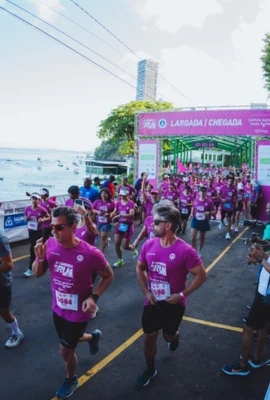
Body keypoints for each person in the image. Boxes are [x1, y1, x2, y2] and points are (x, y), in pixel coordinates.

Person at [32, 206, 114, 399]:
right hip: (58, 307)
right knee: (71, 340)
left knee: (65, 349)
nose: (54, 231)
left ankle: (71, 379)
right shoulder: (50, 244)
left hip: (79, 311)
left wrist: (94, 297)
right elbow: (37, 273)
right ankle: (93, 337)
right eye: (52, 227)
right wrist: (39, 256)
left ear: (74, 227)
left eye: (59, 227)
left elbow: (108, 276)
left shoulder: (90, 253)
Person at [136, 201, 206, 387]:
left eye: (156, 221)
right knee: (149, 336)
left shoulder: (185, 250)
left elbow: (201, 275)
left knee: (167, 336)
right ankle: (150, 369)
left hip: (174, 303)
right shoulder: (149, 245)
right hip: (151, 301)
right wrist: (146, 291)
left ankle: (175, 336)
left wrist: (182, 295)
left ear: (167, 225)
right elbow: (140, 267)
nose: (152, 224)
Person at [222, 243, 270, 376]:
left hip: (265, 296)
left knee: (248, 328)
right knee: (264, 326)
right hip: (264, 292)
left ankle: (242, 366)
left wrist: (260, 259)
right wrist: (262, 255)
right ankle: (257, 358)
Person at [0, 229, 24, 348]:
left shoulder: (1, 237)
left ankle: (16, 332)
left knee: (4, 312)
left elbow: (9, 264)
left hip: (2, 283)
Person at [24, 192, 50, 277]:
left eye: (36, 199)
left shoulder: (42, 209)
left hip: (39, 231)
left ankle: (31, 269)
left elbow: (48, 216)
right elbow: (25, 218)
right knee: (34, 248)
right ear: (31, 199)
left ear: (39, 200)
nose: (34, 200)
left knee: (33, 248)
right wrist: (26, 218)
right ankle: (41, 261)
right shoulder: (27, 208)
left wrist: (43, 220)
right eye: (33, 198)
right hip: (31, 231)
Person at [111, 187, 137, 267]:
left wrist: (120, 215)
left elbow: (132, 214)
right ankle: (120, 260)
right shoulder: (118, 203)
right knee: (116, 243)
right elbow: (115, 211)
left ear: (128, 195)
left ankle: (132, 248)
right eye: (121, 195)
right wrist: (112, 214)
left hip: (128, 226)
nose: (122, 197)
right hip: (120, 225)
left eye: (124, 195)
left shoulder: (131, 203)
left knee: (125, 246)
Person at [190, 186, 215, 257]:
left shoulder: (209, 202)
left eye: (204, 191)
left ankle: (199, 250)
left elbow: (213, 211)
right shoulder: (196, 200)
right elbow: (193, 207)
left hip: (204, 221)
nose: (202, 193)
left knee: (202, 237)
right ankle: (193, 251)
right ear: (199, 192)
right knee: (192, 237)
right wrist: (191, 214)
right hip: (195, 220)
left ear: (206, 192)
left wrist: (208, 212)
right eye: (201, 191)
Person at [92, 188, 115, 253]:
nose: (104, 195)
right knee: (102, 236)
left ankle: (101, 252)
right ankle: (106, 241)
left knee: (102, 237)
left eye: (105, 193)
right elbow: (92, 209)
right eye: (102, 193)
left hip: (107, 223)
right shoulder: (97, 201)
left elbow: (115, 211)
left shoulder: (111, 202)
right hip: (99, 222)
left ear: (108, 194)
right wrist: (98, 212)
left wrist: (109, 214)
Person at [218, 176, 237, 240]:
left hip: (230, 206)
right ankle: (221, 221)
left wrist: (236, 203)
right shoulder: (223, 187)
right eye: (229, 181)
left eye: (231, 181)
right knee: (222, 216)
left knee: (229, 219)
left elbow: (236, 196)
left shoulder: (234, 189)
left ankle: (228, 233)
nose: (230, 182)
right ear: (227, 181)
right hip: (223, 205)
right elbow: (218, 194)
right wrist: (221, 199)